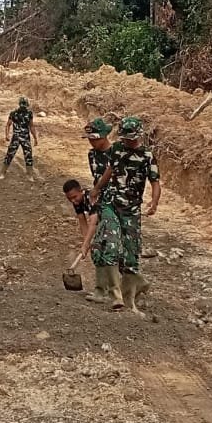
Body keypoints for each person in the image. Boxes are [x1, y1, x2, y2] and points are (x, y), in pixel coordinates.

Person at [94, 116, 162, 314]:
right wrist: (97, 189)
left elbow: (155, 182)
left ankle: (130, 296)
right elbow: (110, 170)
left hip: (131, 210)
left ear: (139, 136)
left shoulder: (147, 156)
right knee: (110, 244)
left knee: (131, 256)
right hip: (111, 204)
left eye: (130, 139)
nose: (127, 141)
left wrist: (154, 202)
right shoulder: (117, 149)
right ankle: (115, 296)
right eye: (124, 138)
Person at [83, 117, 124, 306]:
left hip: (117, 205)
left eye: (94, 138)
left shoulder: (118, 153)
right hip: (101, 203)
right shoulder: (92, 155)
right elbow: (96, 178)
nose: (91, 142)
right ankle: (101, 290)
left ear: (104, 136)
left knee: (112, 248)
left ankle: (117, 293)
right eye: (89, 139)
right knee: (99, 247)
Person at [62, 178, 99, 267]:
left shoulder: (90, 197)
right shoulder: (76, 202)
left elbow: (93, 222)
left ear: (81, 191)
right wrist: (86, 241)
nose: (73, 201)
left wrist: (86, 244)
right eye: (69, 199)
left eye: (74, 197)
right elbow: (82, 221)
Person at [0, 97, 38, 179]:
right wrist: (7, 135)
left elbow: (31, 126)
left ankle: (30, 175)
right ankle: (3, 173)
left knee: (28, 156)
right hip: (17, 137)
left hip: (24, 137)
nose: (23, 107)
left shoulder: (29, 113)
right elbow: (8, 124)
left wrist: (35, 138)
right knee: (10, 154)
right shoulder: (14, 113)